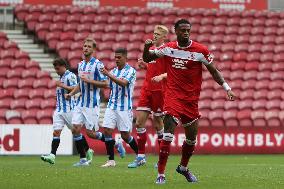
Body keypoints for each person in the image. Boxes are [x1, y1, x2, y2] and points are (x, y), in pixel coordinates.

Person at [143, 19, 236, 184]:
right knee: (168, 131)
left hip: (191, 100)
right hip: (173, 96)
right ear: (176, 31)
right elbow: (148, 57)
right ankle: (161, 174)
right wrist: (146, 47)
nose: (186, 33)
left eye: (188, 30)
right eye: (182, 30)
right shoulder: (169, 48)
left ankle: (183, 168)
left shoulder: (200, 50)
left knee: (191, 139)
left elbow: (214, 71)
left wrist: (227, 88)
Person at [128, 25, 169, 168]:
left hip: (160, 91)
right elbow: (153, 66)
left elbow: (174, 72)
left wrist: (162, 76)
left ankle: (161, 159)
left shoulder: (167, 51)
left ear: (164, 37)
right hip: (147, 89)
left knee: (158, 125)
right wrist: (145, 65)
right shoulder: (151, 51)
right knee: (139, 123)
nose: (155, 35)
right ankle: (140, 157)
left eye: (158, 34)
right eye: (154, 33)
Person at [65, 38, 109, 166]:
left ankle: (113, 142)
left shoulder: (98, 65)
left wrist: (90, 81)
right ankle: (83, 159)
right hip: (80, 103)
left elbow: (105, 84)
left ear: (94, 49)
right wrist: (71, 93)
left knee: (91, 134)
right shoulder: (80, 65)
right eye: (84, 46)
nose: (86, 48)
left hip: (92, 104)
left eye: (89, 46)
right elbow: (80, 83)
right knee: (75, 129)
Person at [100, 48, 138, 167]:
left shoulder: (131, 71)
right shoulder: (113, 71)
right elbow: (109, 86)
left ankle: (140, 155)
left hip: (124, 108)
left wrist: (108, 74)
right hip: (111, 106)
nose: (116, 59)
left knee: (125, 136)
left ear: (125, 58)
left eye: (119, 57)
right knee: (106, 130)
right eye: (115, 57)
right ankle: (111, 160)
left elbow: (124, 83)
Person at [41, 58, 77, 164]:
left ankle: (88, 150)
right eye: (55, 69)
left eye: (57, 69)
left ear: (63, 66)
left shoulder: (70, 76)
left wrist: (62, 86)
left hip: (69, 110)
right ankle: (52, 155)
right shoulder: (61, 77)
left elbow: (76, 88)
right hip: (59, 110)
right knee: (56, 132)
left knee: (76, 132)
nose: (56, 71)